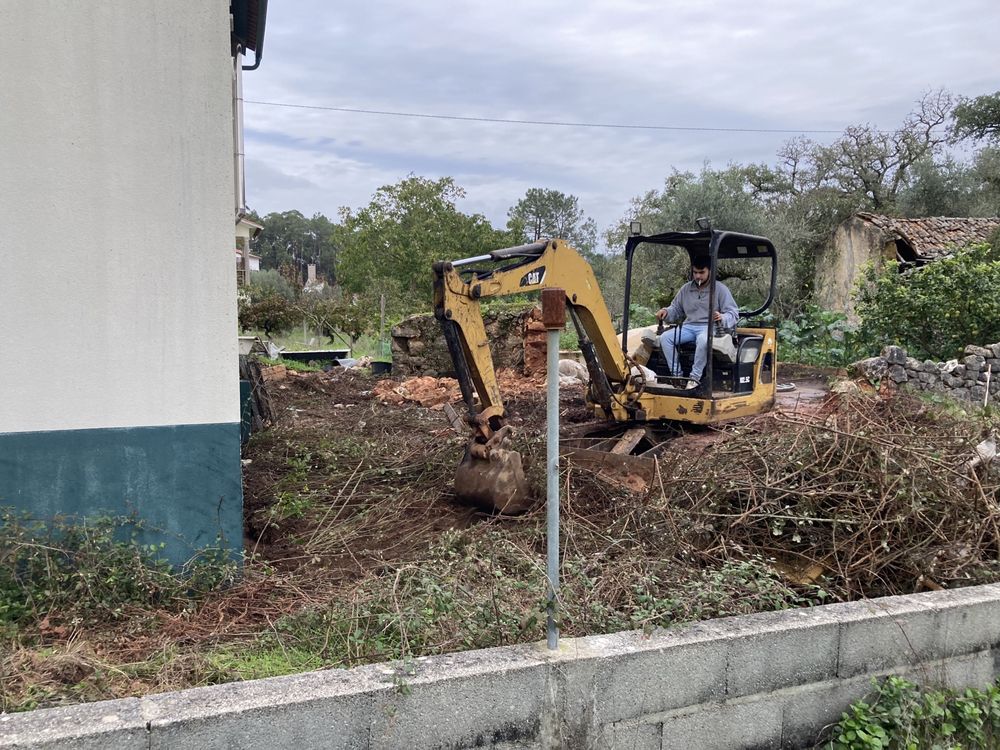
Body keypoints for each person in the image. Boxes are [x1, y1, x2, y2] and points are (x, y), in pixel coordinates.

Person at [655, 256, 739, 389]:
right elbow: (676, 309)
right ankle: (677, 377)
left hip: (710, 327)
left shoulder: (720, 289)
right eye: (695, 273)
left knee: (704, 340)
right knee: (665, 338)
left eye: (701, 273)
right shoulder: (686, 289)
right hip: (689, 326)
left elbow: (733, 313)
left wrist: (722, 317)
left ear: (709, 271)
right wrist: (666, 312)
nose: (698, 276)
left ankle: (694, 378)